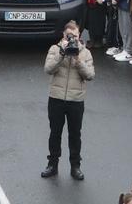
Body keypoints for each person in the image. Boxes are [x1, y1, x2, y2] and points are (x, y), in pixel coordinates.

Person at [40, 21, 95, 181]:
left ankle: (75, 166)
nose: (72, 39)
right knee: (55, 133)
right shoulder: (55, 49)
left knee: (75, 134)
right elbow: (48, 69)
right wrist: (62, 53)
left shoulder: (86, 53)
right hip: (56, 98)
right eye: (69, 36)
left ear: (80, 36)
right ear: (64, 36)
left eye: (75, 36)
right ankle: (52, 164)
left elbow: (90, 75)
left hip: (76, 101)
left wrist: (77, 60)